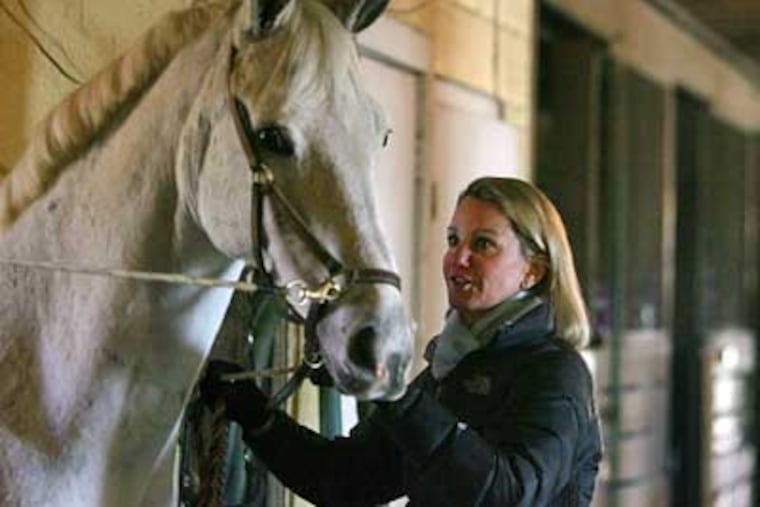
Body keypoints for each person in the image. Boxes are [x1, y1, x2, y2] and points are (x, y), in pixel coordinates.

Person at [201, 176, 603, 506]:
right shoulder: (452, 370)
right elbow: (344, 481)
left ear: (532, 271)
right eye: (452, 240)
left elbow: (507, 495)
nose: (458, 258)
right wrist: (257, 416)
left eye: (482, 244)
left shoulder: (555, 374)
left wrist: (396, 396)